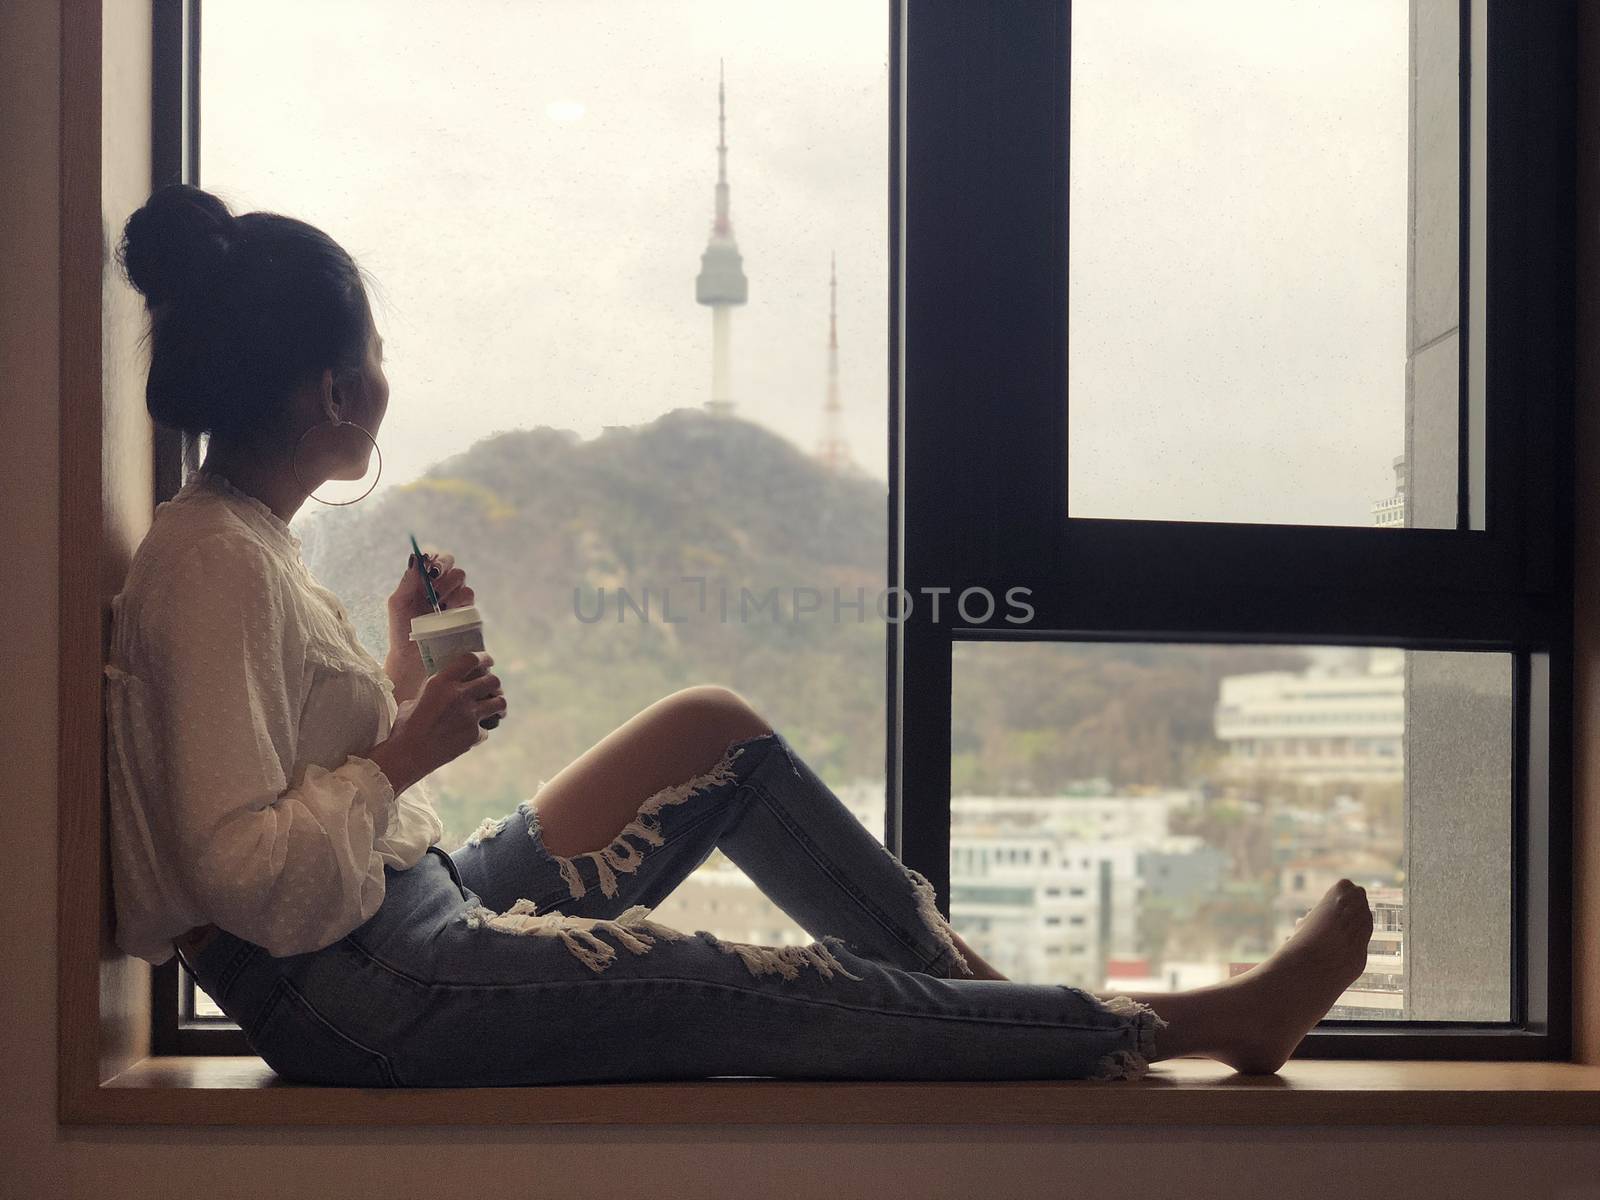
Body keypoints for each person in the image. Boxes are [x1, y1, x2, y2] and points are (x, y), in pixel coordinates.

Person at [103, 183, 1374, 1088]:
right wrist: (401, 756)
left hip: (401, 910)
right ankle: (1188, 1025)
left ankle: (999, 1018)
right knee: (763, 985)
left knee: (712, 732)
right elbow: (240, 874)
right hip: (363, 991)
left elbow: (281, 780)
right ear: (335, 390)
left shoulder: (250, 542)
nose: (386, 377)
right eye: (375, 358)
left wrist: (393, 683)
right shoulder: (211, 561)